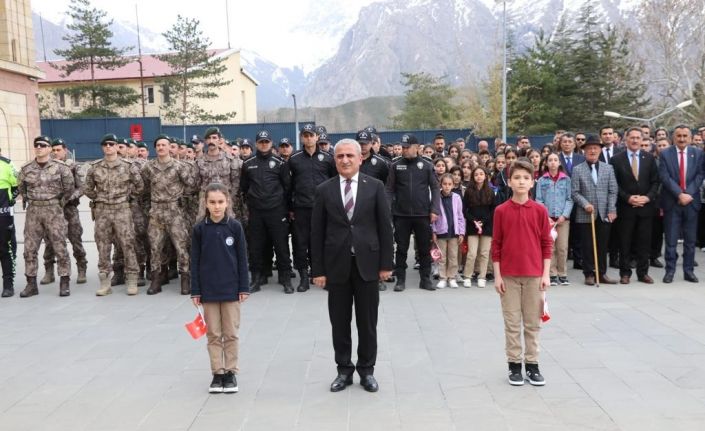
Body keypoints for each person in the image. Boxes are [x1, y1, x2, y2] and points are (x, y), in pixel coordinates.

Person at [310, 139, 394, 393]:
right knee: (340, 323)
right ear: (334, 160)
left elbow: (385, 227)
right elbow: (316, 232)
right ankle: (344, 370)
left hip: (368, 265)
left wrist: (386, 264)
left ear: (360, 158)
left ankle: (367, 371)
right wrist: (318, 270)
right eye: (340, 156)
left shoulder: (375, 187)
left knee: (367, 323)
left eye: (349, 155)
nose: (345, 160)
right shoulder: (324, 190)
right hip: (336, 266)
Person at [492, 159, 552, 386]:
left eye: (526, 178)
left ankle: (533, 364)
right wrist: (497, 275)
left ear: (532, 182)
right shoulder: (501, 211)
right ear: (509, 181)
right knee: (512, 322)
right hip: (508, 276)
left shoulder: (539, 210)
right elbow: (496, 244)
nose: (521, 182)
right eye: (516, 177)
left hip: (534, 275)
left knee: (533, 323)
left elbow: (547, 243)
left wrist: (546, 274)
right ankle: (514, 365)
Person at [191, 183, 250, 394]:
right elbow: (195, 261)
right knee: (213, 334)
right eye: (212, 202)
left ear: (227, 202)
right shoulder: (199, 229)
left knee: (231, 333)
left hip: (231, 290)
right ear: (206, 204)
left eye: (220, 202)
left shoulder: (235, 227)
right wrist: (196, 291)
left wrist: (244, 287)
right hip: (208, 292)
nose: (217, 206)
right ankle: (218, 373)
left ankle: (231, 372)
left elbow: (242, 259)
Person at [83, 133, 144, 296]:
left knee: (127, 244)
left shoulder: (128, 166)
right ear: (102, 148)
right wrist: (99, 198)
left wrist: (128, 198)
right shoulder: (95, 167)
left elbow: (139, 186)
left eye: (111, 144)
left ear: (117, 147)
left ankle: (132, 279)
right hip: (102, 211)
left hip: (122, 210)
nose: (108, 147)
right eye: (105, 145)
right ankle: (105, 282)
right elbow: (87, 188)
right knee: (103, 246)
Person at [18, 136, 75, 297]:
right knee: (29, 249)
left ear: (50, 149)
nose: (39, 148)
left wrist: (59, 203)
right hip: (34, 211)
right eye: (36, 145)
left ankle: (64, 282)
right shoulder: (26, 169)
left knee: (60, 246)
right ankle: (31, 284)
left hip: (53, 210)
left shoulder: (61, 168)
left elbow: (69, 188)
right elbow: (22, 188)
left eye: (43, 145)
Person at [240, 130, 293, 293]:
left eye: (266, 142)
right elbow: (244, 187)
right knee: (256, 246)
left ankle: (285, 278)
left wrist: (286, 209)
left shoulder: (280, 162)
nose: (264, 144)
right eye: (261, 142)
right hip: (256, 211)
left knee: (281, 245)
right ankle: (256, 278)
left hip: (276, 210)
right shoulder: (248, 163)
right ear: (256, 144)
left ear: (271, 143)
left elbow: (287, 187)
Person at [141, 135, 195, 295]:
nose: (161, 147)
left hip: (175, 212)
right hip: (156, 213)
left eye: (164, 145)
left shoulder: (179, 166)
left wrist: (180, 199)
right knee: (155, 247)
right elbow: (144, 189)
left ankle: (185, 279)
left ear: (170, 147)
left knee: (181, 246)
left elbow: (191, 185)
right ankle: (156, 280)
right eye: (158, 145)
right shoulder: (148, 167)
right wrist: (148, 207)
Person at [285, 123, 337, 291]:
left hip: (323, 208)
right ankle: (304, 278)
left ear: (317, 137)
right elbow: (288, 186)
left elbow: (335, 183)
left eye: (311, 135)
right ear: (302, 138)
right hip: (301, 208)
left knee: (323, 242)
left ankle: (321, 274)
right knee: (301, 243)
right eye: (305, 135)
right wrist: (290, 208)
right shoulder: (294, 159)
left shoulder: (328, 158)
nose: (308, 138)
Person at [386, 133, 441, 292]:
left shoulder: (427, 165)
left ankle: (425, 279)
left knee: (424, 248)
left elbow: (435, 188)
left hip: (422, 214)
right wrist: (387, 209)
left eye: (407, 147)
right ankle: (400, 280)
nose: (404, 150)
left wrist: (434, 209)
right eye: (402, 147)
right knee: (401, 249)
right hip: (401, 215)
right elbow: (389, 189)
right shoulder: (396, 165)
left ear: (416, 147)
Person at [610, 128, 659, 284]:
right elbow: (614, 184)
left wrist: (647, 197)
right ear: (626, 139)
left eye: (638, 138)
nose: (635, 140)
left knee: (644, 243)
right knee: (625, 242)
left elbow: (655, 182)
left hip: (646, 208)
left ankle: (643, 273)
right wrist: (628, 198)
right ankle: (625, 273)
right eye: (632, 137)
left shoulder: (649, 158)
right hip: (626, 208)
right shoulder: (616, 159)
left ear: (642, 140)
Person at [658, 125, 704, 283]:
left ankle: (689, 271)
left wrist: (688, 194)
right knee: (671, 241)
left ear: (690, 138)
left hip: (691, 202)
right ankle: (669, 271)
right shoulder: (665, 153)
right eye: (679, 136)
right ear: (673, 138)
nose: (682, 139)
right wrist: (679, 194)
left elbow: (700, 175)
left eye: (685, 136)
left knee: (690, 241)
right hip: (672, 202)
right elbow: (664, 177)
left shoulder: (698, 153)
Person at [570, 135, 618, 286]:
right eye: (589, 148)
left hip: (604, 213)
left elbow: (613, 190)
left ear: (600, 150)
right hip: (586, 213)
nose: (592, 151)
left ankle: (601, 273)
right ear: (584, 151)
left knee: (602, 245)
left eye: (595, 148)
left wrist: (611, 209)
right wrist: (585, 204)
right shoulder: (577, 169)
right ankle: (589, 273)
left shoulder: (608, 168)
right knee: (587, 245)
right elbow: (574, 192)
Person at [40, 138, 87, 285]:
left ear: (65, 150)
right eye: (53, 150)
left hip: (69, 209)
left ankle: (81, 268)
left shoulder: (73, 167)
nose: (55, 153)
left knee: (75, 239)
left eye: (58, 150)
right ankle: (49, 271)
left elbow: (82, 187)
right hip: (52, 211)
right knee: (49, 241)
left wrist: (68, 197)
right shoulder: (46, 166)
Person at [535, 152, 573, 286]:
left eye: (555, 160)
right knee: (550, 248)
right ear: (546, 163)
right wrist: (546, 216)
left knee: (562, 247)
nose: (552, 162)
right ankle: (552, 273)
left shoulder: (566, 179)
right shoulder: (542, 180)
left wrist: (564, 215)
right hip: (548, 220)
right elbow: (539, 200)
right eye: (550, 160)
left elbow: (569, 199)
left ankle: (563, 274)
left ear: (559, 163)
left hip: (562, 220)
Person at [462, 166, 495, 288]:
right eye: (476, 174)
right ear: (473, 177)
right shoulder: (469, 191)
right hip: (472, 226)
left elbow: (493, 210)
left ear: (485, 176)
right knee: (472, 253)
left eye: (481, 174)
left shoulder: (490, 191)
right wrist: (474, 221)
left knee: (484, 253)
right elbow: (464, 210)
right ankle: (467, 276)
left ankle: (482, 276)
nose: (479, 176)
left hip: (487, 226)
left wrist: (483, 222)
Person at [432, 174, 465, 289]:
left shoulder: (457, 197)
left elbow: (460, 216)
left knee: (453, 256)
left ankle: (452, 277)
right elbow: (433, 216)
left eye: (449, 184)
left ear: (453, 185)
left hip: (454, 232)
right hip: (441, 232)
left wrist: (461, 232)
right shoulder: (436, 197)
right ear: (441, 184)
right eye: (445, 184)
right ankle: (443, 278)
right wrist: (434, 231)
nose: (447, 186)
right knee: (442, 257)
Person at [0, 146, 18, 297]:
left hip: (3, 214)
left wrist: (9, 201)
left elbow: (17, 186)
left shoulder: (7, 164)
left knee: (5, 249)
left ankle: (8, 285)